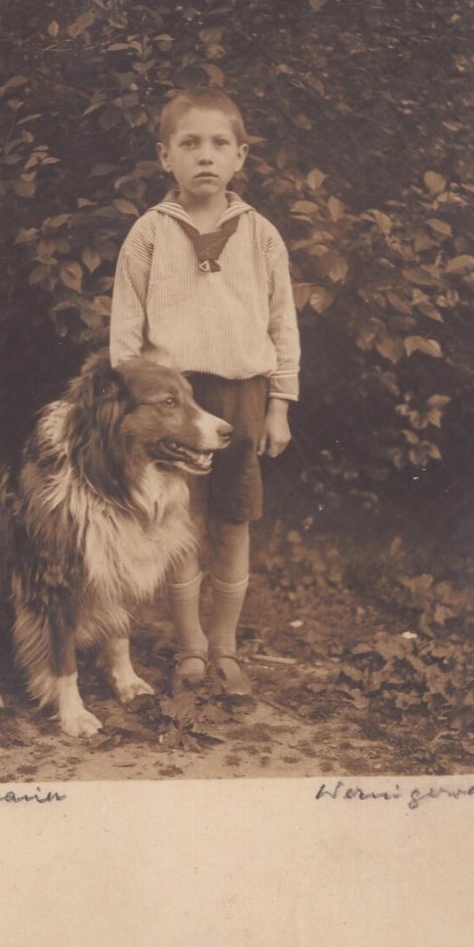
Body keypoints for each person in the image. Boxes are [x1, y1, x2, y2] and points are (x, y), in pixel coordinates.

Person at [109, 88, 300, 698]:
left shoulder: (262, 235)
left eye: (220, 144)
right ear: (165, 157)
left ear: (240, 157)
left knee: (233, 521)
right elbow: (124, 333)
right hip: (173, 404)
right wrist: (138, 405)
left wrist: (279, 406)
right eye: (189, 144)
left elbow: (282, 323)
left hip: (242, 395)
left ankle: (226, 648)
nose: (205, 156)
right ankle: (190, 648)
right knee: (180, 524)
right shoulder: (148, 235)